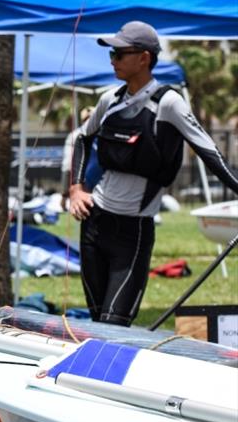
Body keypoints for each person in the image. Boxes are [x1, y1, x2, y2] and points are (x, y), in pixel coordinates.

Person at [69, 21, 238, 326]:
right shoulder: (110, 99)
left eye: (119, 54)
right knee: (97, 321)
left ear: (144, 57)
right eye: (112, 54)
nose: (112, 60)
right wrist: (76, 189)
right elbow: (82, 137)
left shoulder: (169, 103)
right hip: (94, 226)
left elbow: (209, 151)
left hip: (132, 234)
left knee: (113, 324)